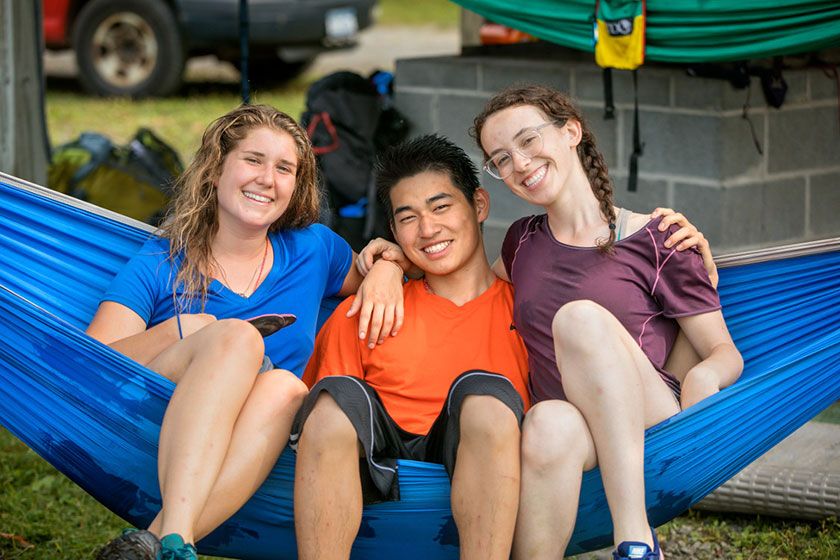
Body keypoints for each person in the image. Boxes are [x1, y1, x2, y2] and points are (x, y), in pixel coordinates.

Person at [85, 104, 403, 560]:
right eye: (253, 160)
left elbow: (381, 264)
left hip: (261, 429)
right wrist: (185, 331)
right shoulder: (161, 262)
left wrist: (389, 267)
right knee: (237, 338)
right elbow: (89, 366)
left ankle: (160, 545)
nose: (267, 179)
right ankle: (172, 533)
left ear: (295, 188)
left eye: (284, 168)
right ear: (216, 170)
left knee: (285, 387)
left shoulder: (313, 249)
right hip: (155, 424)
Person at [471, 84, 744, 559]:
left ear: (571, 132)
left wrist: (703, 375)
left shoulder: (660, 238)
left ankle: (634, 538)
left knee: (578, 320)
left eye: (528, 140)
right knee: (547, 423)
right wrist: (389, 265)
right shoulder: (521, 243)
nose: (520, 164)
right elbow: (462, 285)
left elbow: (726, 353)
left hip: (650, 420)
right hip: (572, 427)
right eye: (501, 159)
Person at [291, 134, 531, 560]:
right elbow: (317, 440)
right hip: (374, 466)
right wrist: (388, 268)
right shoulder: (369, 309)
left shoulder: (528, 312)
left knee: (486, 398)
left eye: (441, 207)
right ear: (393, 231)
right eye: (408, 218)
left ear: (478, 205)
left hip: (484, 463)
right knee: (330, 405)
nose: (428, 230)